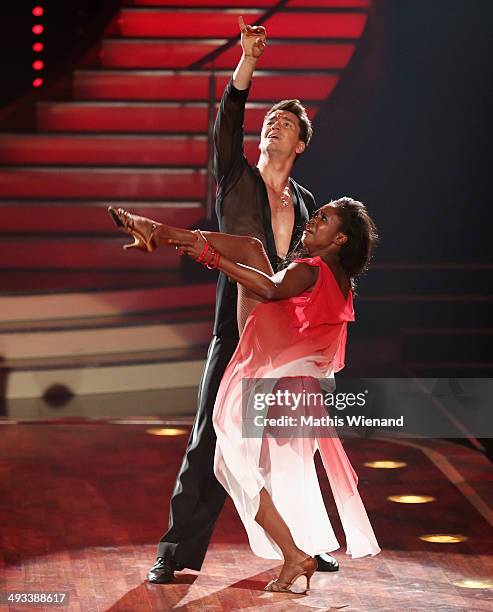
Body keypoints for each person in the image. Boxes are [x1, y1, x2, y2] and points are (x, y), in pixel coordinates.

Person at [141, 16, 339, 584]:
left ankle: (305, 545)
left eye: (286, 123)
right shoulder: (236, 179)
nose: (274, 126)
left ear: (301, 143)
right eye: (270, 120)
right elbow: (228, 121)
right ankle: (175, 552)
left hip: (283, 339)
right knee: (209, 439)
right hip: (235, 333)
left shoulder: (306, 206)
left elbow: (315, 271)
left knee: (289, 444)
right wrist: (247, 62)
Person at [108, 195, 381, 594]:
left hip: (271, 372)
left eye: (322, 220)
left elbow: (270, 290)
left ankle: (294, 555)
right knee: (253, 246)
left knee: (233, 465)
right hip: (295, 380)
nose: (313, 221)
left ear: (340, 239)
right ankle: (158, 232)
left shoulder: (311, 269)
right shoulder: (340, 281)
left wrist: (210, 257)